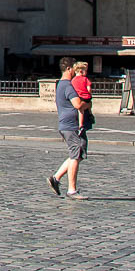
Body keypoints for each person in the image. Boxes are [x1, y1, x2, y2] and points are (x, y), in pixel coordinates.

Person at [48, 57, 88, 199]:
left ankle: (56, 178)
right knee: (76, 155)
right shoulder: (67, 86)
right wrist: (88, 104)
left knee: (77, 154)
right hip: (71, 126)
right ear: (69, 69)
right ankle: (72, 190)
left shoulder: (61, 84)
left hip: (69, 125)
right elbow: (77, 104)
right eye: (75, 69)